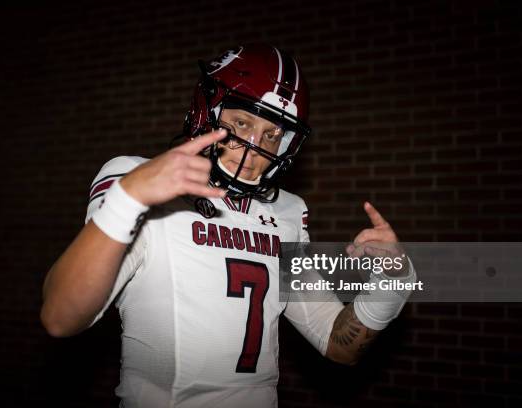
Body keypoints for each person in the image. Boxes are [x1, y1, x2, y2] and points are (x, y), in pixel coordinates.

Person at [40, 44, 417, 408]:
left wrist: (393, 283)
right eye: (241, 122)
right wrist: (129, 198)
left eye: (273, 134)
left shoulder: (286, 212)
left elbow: (339, 344)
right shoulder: (137, 180)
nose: (256, 148)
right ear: (208, 112)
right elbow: (60, 317)